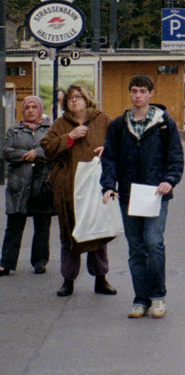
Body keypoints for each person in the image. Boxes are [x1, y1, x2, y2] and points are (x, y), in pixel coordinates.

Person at [101, 74, 184, 320]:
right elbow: (109, 158)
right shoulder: (118, 125)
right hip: (128, 194)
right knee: (136, 248)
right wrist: (108, 185)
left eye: (142, 91)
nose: (138, 95)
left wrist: (169, 180)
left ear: (150, 94)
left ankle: (157, 297)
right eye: (134, 91)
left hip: (155, 195)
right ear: (130, 93)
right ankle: (140, 299)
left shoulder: (164, 124)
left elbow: (175, 157)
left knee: (153, 243)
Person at [41, 84, 116, 297]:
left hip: (95, 186)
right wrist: (70, 137)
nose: (74, 100)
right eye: (70, 98)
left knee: (98, 232)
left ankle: (101, 278)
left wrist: (107, 150)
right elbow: (47, 147)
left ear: (86, 99)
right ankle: (68, 280)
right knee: (70, 233)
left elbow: (118, 143)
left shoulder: (102, 119)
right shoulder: (61, 123)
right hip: (69, 188)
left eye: (78, 97)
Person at [0, 96, 53, 276]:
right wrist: (25, 155)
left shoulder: (49, 129)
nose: (30, 110)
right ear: (22, 111)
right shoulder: (14, 130)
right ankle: (7, 262)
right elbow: (6, 151)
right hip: (19, 184)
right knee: (14, 223)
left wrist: (36, 153)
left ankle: (40, 261)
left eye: (34, 107)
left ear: (40, 109)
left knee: (42, 225)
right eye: (27, 107)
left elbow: (53, 148)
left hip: (41, 184)